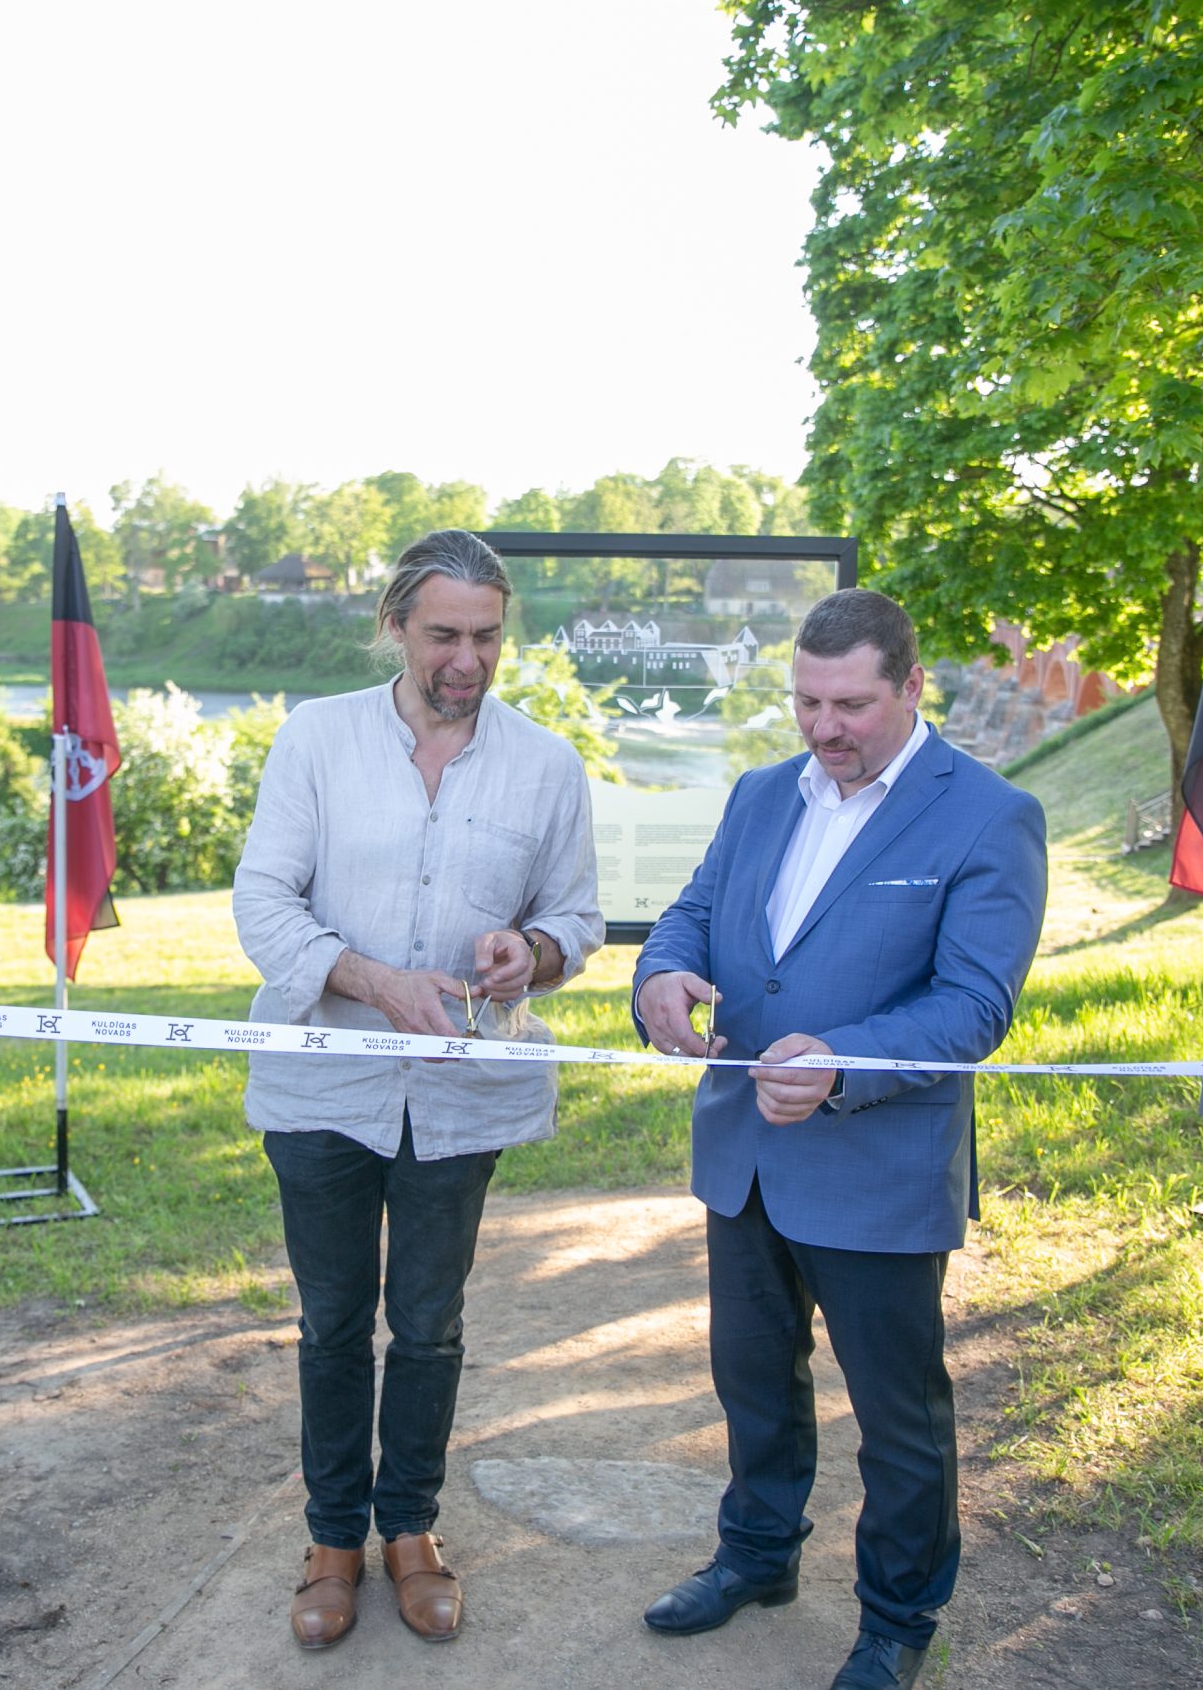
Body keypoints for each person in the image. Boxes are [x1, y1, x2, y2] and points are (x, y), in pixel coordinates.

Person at [631, 588, 1047, 1690]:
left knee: (897, 1418)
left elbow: (974, 1006)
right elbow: (692, 913)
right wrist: (660, 974)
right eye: (807, 702)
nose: (825, 728)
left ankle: (897, 1620)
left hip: (878, 1168)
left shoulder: (989, 814)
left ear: (912, 687)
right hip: (745, 1159)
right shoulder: (761, 793)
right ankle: (757, 1556)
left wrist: (843, 1061)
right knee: (751, 1382)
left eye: (852, 704)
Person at [232, 529, 604, 1651]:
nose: (466, 660)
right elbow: (263, 904)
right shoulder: (316, 738)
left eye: (487, 636)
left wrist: (531, 954)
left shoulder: (547, 765)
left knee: (431, 1325)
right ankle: (331, 1542)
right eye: (443, 634)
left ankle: (410, 1531)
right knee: (334, 1322)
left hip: (461, 1096)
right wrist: (375, 981)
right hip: (322, 1088)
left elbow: (577, 920)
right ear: (395, 624)